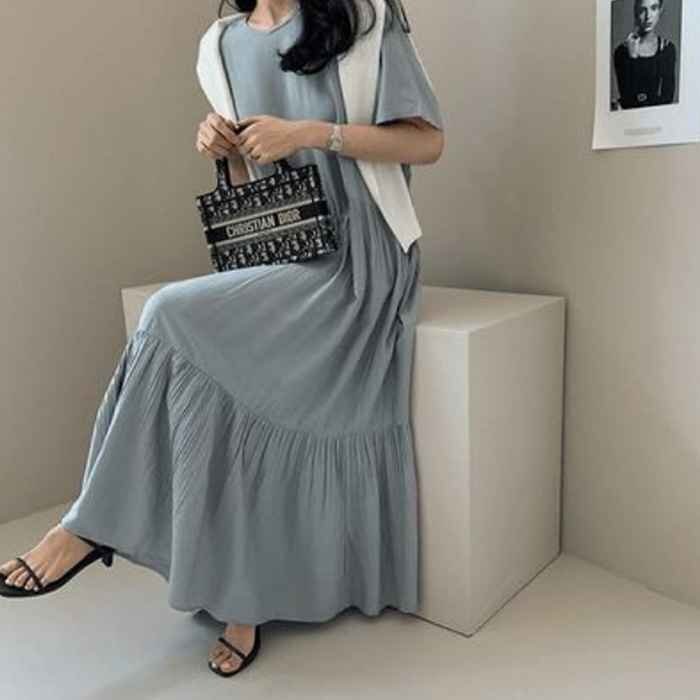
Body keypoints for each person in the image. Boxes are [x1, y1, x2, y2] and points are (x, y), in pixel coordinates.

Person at [0, 0, 444, 678]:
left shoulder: (363, 15)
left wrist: (312, 133)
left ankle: (88, 527)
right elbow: (258, 195)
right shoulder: (222, 44)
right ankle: (237, 591)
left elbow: (426, 141)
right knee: (213, 373)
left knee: (167, 314)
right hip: (291, 250)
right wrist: (229, 150)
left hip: (363, 261)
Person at [613, 0, 677, 109]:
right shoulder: (621, 52)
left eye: (653, 8)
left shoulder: (668, 49)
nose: (648, 16)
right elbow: (628, 99)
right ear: (636, 12)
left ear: (660, 11)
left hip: (659, 117)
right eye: (643, 10)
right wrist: (632, 58)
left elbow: (667, 98)